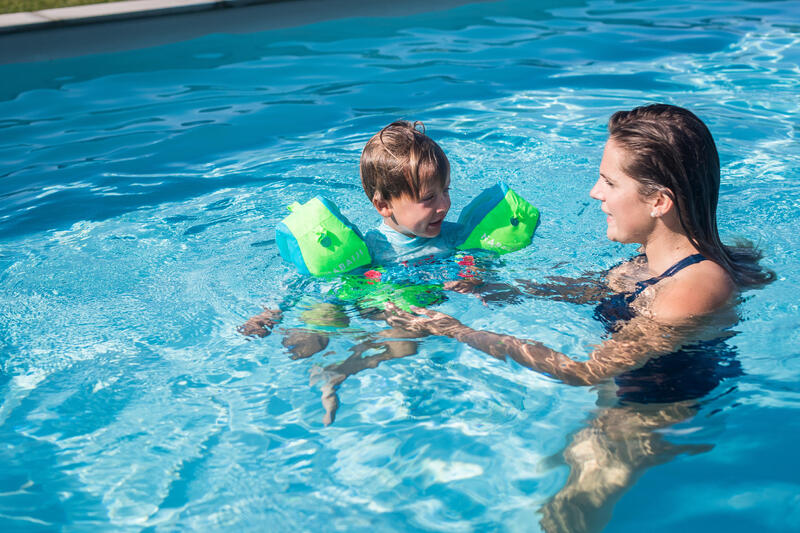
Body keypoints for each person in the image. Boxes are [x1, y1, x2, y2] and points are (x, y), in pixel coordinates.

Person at [383, 104, 773, 532]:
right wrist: (496, 291)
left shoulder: (692, 288)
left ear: (660, 201)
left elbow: (584, 372)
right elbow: (584, 293)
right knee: (548, 470)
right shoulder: (647, 262)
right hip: (627, 395)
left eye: (609, 181)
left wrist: (458, 331)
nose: (595, 192)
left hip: (653, 418)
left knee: (564, 514)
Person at [240, 120, 470, 423]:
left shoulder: (455, 238)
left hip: (400, 308)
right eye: (429, 198)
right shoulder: (370, 249)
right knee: (309, 339)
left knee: (405, 344)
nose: (444, 205)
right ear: (383, 206)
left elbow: (477, 265)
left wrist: (473, 279)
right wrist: (272, 311)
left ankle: (338, 371)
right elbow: (308, 280)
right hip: (364, 298)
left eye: (446, 191)